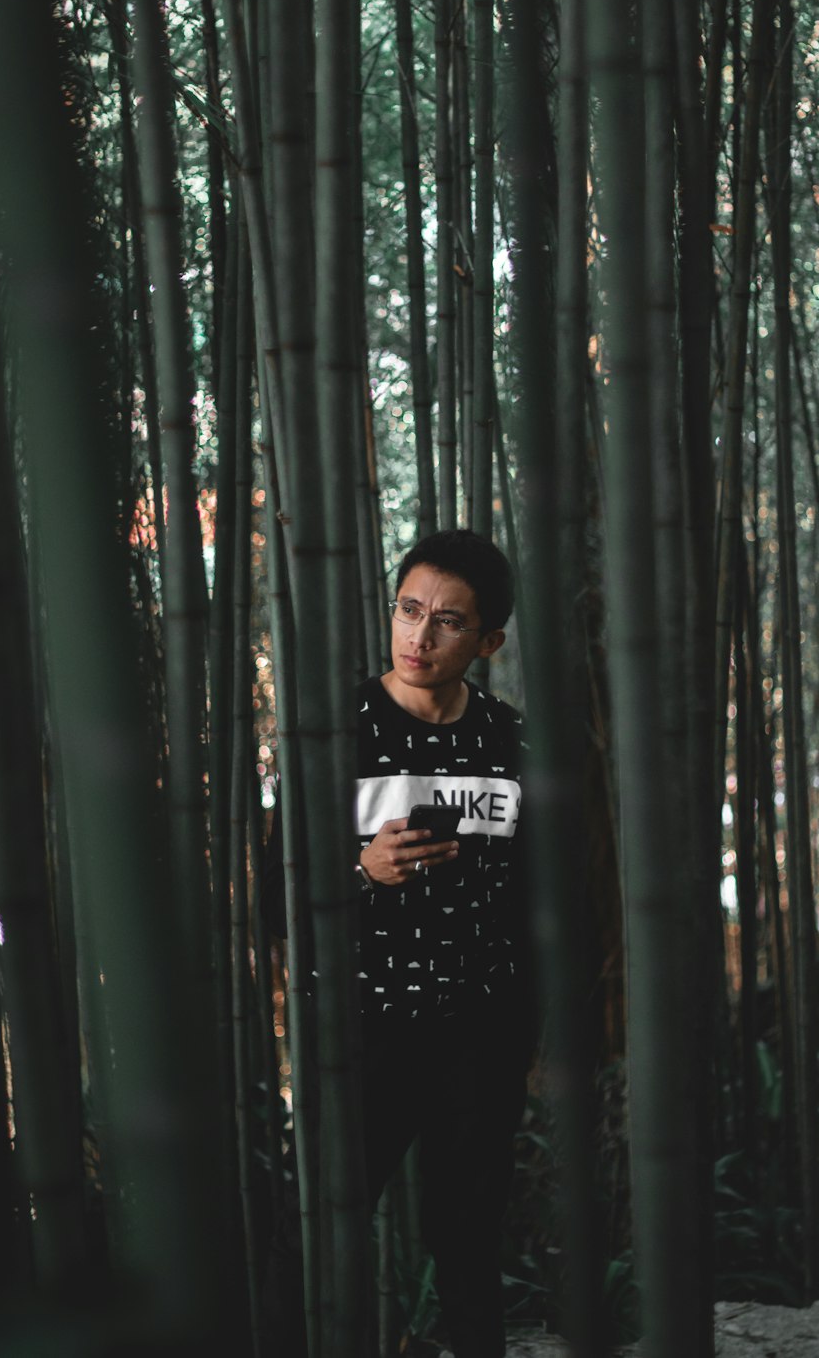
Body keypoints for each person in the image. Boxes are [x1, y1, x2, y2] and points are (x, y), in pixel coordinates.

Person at [264, 529, 534, 1358]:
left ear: (487, 642)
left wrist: (529, 1022)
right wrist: (361, 870)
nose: (420, 637)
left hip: (482, 1028)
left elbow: (539, 895)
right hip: (361, 1028)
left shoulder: (512, 739)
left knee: (468, 1239)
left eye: (449, 622)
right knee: (311, 1232)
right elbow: (273, 898)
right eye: (409, 610)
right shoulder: (332, 733)